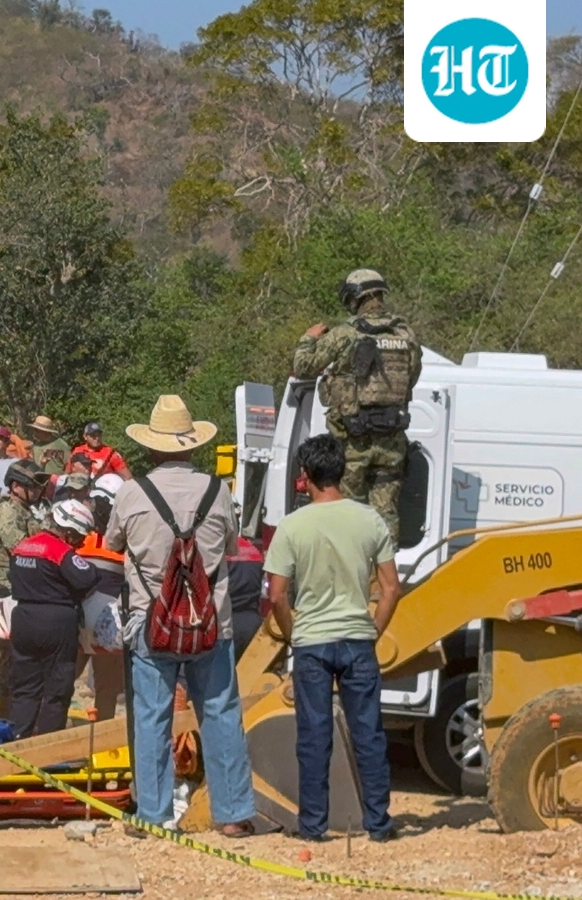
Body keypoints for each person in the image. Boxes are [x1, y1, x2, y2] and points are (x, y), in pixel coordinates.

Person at [106, 395, 256, 836]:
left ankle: (153, 815)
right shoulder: (218, 490)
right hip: (212, 623)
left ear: (151, 447)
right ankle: (232, 814)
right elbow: (231, 548)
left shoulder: (132, 493)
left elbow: (114, 544)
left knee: (152, 717)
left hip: (151, 623)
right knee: (221, 712)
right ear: (193, 445)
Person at [265, 434, 400, 843]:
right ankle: (379, 824)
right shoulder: (370, 520)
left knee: (314, 736)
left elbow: (277, 594)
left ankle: (313, 826)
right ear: (341, 471)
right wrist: (372, 630)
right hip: (358, 638)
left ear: (304, 476)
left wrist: (294, 635)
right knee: (369, 734)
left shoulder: (291, 526)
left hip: (312, 642)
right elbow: (392, 587)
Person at [292, 268, 422, 540]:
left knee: (349, 512)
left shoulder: (345, 334)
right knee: (385, 514)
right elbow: (412, 378)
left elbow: (303, 367)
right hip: (391, 442)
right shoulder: (406, 334)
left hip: (352, 442)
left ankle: (353, 575)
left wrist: (309, 338)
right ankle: (381, 578)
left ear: (354, 298)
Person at [8, 500, 99, 737]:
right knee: (57, 687)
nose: (80, 542)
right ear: (68, 531)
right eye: (79, 536)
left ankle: (18, 739)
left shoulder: (23, 546)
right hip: (56, 621)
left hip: (22, 618)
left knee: (25, 687)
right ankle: (50, 745)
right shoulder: (59, 551)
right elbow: (88, 577)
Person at [0, 460, 50, 721]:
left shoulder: (25, 510)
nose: (37, 492)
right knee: (12, 651)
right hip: (5, 584)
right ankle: (7, 712)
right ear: (16, 486)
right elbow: (20, 546)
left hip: (20, 583)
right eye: (32, 486)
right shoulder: (6, 511)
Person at [76, 473, 128, 719]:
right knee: (67, 676)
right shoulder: (79, 532)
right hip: (84, 619)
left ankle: (102, 731)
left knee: (107, 685)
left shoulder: (124, 540)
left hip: (103, 621)